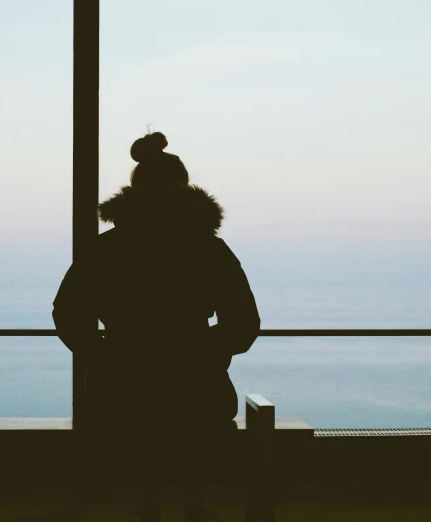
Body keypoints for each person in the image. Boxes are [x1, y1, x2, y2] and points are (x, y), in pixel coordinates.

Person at [53, 131, 260, 522]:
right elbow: (244, 321)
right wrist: (209, 348)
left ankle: (146, 501)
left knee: (139, 441)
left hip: (124, 372)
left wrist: (102, 353)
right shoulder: (209, 249)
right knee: (193, 443)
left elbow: (68, 312)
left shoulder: (106, 249)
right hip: (195, 372)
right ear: (185, 190)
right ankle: (193, 499)